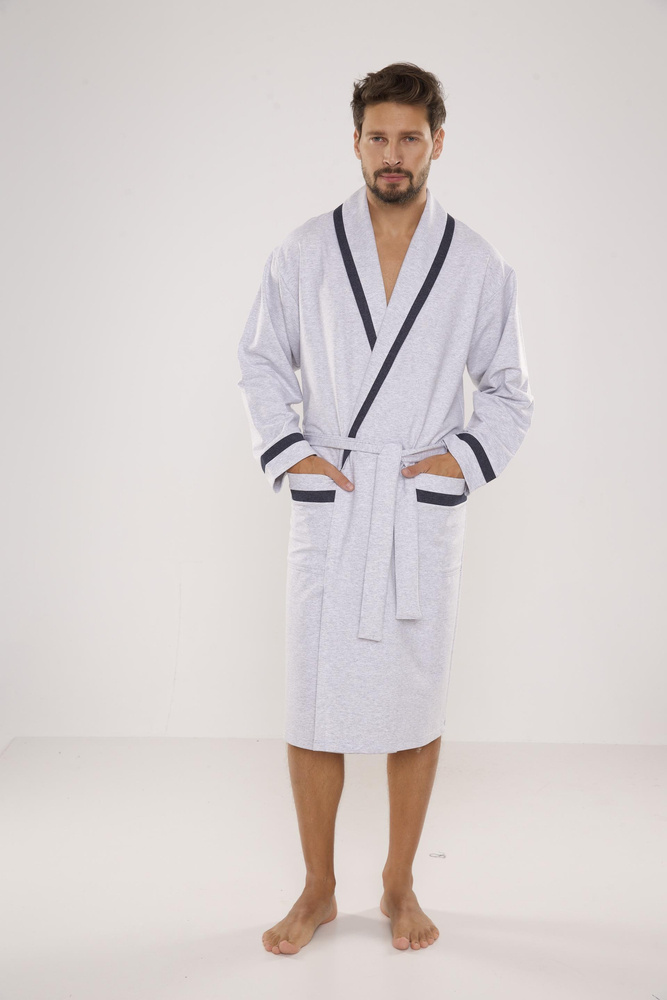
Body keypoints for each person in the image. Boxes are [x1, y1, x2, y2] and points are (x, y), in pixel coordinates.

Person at [237, 61, 534, 955]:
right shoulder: (303, 251)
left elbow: (510, 392)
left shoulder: (475, 263)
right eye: (378, 137)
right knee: (311, 703)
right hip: (335, 503)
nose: (393, 154)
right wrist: (297, 456)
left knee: (415, 699)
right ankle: (318, 888)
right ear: (356, 142)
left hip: (414, 506)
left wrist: (457, 462)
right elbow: (260, 361)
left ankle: (399, 883)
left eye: (410, 137)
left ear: (437, 142)